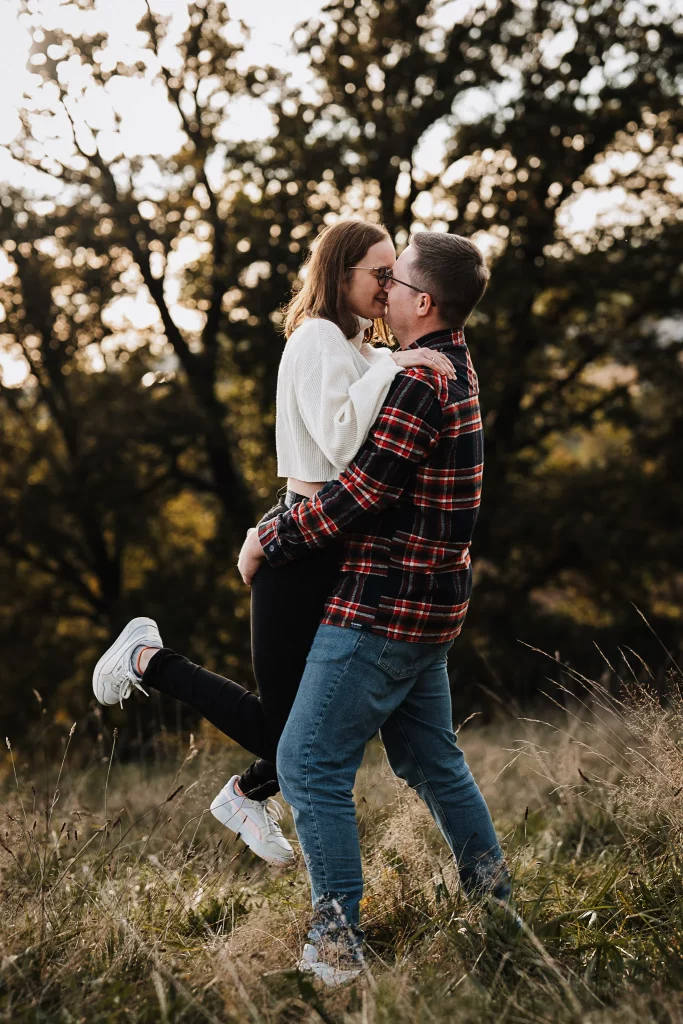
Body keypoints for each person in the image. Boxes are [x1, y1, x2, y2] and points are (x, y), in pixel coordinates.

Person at [91, 219, 454, 867]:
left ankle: (247, 792)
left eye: (394, 273)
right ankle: (148, 660)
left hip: (333, 542)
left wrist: (390, 362)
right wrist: (397, 364)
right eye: (378, 272)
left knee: (336, 718)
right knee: (288, 729)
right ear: (340, 274)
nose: (388, 284)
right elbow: (343, 443)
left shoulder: (358, 345)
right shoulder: (317, 339)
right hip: (299, 543)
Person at [237, 231, 514, 986]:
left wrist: (271, 536)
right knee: (433, 762)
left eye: (396, 281)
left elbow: (359, 494)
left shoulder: (419, 382)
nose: (384, 291)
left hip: (382, 609)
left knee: (305, 762)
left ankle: (336, 941)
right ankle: (499, 911)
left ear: (422, 301)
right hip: (433, 609)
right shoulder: (452, 365)